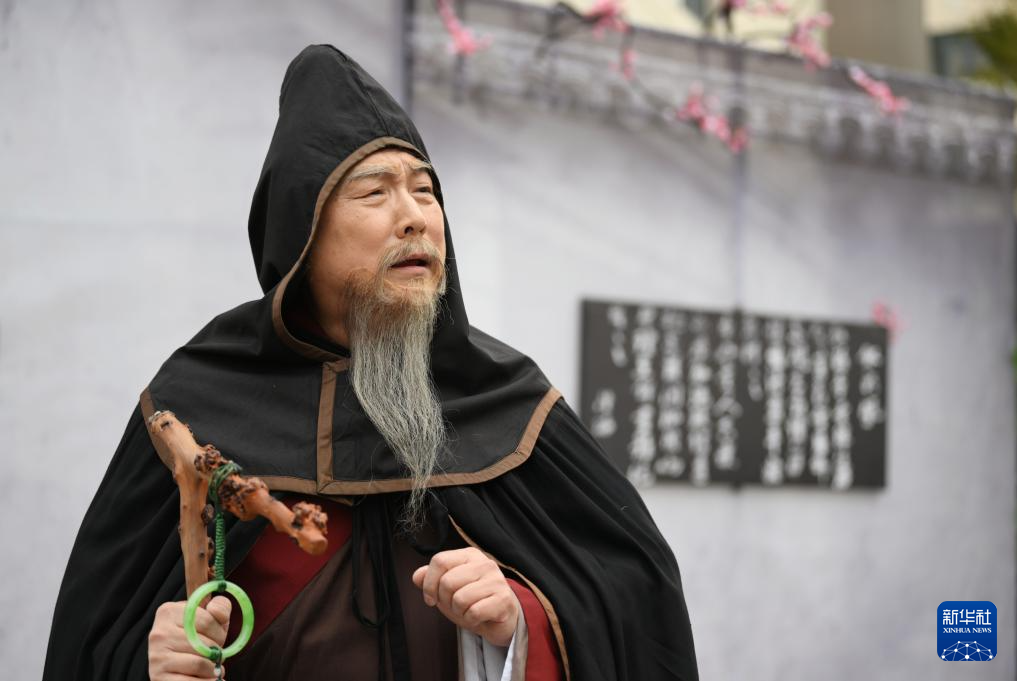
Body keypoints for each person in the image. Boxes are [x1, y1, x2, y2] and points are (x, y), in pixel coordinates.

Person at [42, 45, 698, 681]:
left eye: (424, 190)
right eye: (374, 193)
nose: (415, 218)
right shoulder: (195, 409)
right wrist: (149, 663)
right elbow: (96, 640)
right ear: (302, 231)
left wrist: (521, 619)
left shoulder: (510, 402)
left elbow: (638, 610)